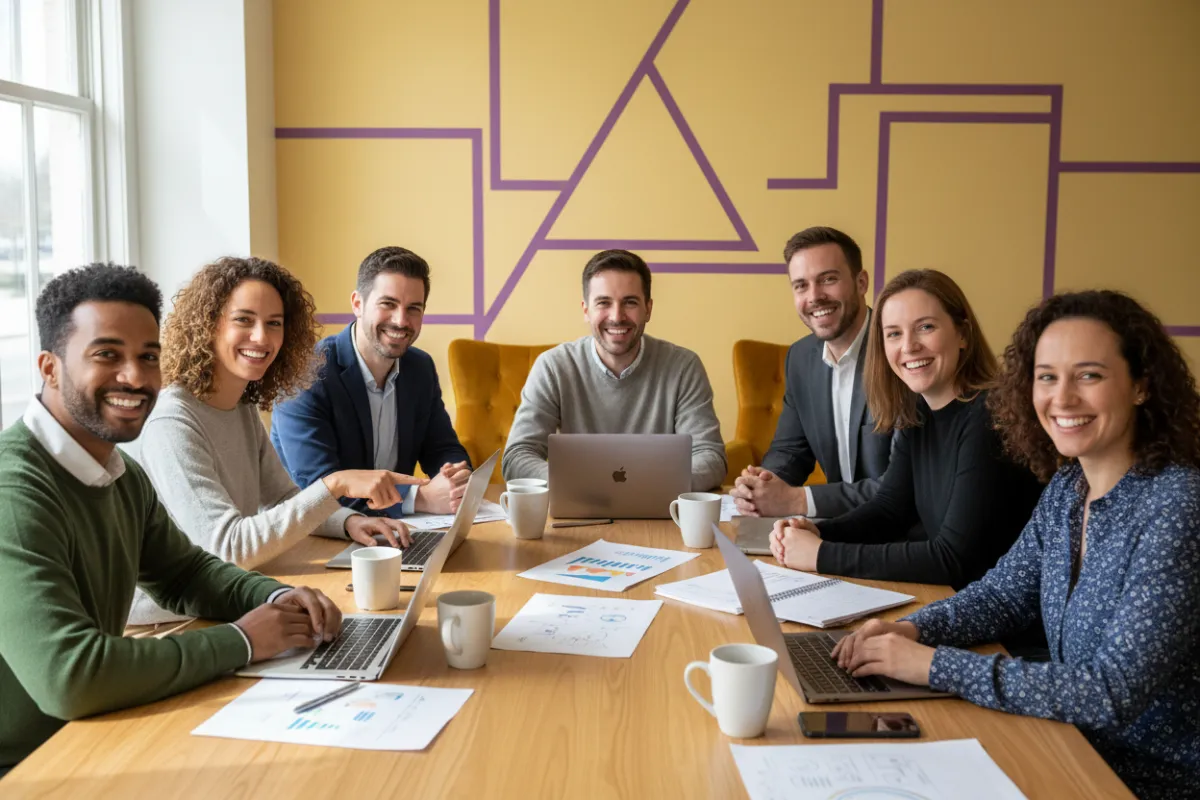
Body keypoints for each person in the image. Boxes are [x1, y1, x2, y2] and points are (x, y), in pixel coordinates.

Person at [830, 291, 1200, 800]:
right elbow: (1002, 595)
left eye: (1088, 375)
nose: (1062, 398)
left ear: (1141, 386)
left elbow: (1110, 693)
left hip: (1144, 781)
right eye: (1047, 376)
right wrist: (912, 628)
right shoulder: (1069, 489)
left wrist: (934, 666)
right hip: (1065, 744)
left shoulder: (1176, 505)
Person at [0, 264, 343, 773]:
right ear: (49, 368)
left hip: (96, 733)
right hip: (30, 766)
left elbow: (187, 573)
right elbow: (72, 677)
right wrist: (245, 640)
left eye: (148, 357)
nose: (135, 377)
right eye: (107, 355)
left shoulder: (118, 473)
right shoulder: (15, 491)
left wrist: (272, 598)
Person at [126, 257, 427, 625]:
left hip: (224, 598)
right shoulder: (172, 420)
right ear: (208, 324)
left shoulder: (239, 406)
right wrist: (337, 484)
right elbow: (226, 548)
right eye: (243, 320)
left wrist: (349, 522)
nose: (261, 337)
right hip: (170, 621)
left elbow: (283, 498)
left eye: (274, 324)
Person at [769, 269, 1042, 588]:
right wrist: (818, 532)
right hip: (952, 602)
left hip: (1001, 627)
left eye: (925, 327)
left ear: (962, 333)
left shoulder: (989, 416)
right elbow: (890, 510)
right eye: (894, 334)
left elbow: (953, 560)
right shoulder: (918, 411)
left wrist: (821, 555)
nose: (909, 347)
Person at [271, 246, 472, 519]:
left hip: (394, 534)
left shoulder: (420, 367)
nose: (401, 321)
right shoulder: (306, 373)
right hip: (316, 536)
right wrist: (420, 498)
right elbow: (318, 487)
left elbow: (441, 447)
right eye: (388, 304)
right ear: (357, 304)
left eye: (414, 308)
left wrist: (454, 479)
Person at [501, 249, 726, 490]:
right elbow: (517, 456)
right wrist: (578, 484)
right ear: (586, 310)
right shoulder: (554, 367)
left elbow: (710, 456)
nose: (617, 316)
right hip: (577, 510)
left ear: (648, 309)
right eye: (603, 303)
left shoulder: (684, 367)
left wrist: (651, 485)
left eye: (630, 302)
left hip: (661, 513)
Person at [731, 227, 892, 518]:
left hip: (899, 534)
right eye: (801, 285)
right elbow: (790, 450)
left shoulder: (899, 353)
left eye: (828, 279)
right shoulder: (801, 358)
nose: (815, 297)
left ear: (861, 282)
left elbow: (903, 484)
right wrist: (763, 485)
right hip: (837, 528)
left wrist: (797, 501)